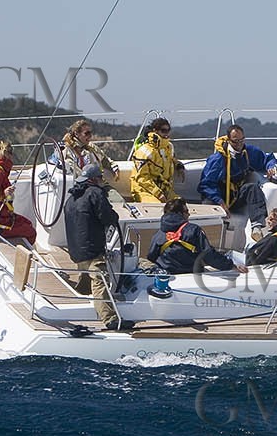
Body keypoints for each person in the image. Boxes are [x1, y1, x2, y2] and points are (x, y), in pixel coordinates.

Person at [63, 162, 125, 331]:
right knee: (100, 280)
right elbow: (106, 216)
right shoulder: (95, 193)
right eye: (100, 178)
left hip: (76, 250)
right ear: (95, 179)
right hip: (92, 250)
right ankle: (110, 319)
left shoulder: (71, 198)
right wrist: (114, 216)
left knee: (86, 280)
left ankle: (80, 306)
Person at [198, 124, 277, 234]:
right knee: (208, 208)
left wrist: (271, 167)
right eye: (235, 141)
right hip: (217, 197)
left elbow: (267, 158)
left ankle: (257, 227)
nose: (239, 144)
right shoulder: (218, 159)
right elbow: (206, 184)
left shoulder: (248, 152)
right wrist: (219, 201)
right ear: (229, 140)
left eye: (242, 140)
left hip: (235, 195)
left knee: (252, 188)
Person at [144, 197, 234, 276]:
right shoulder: (194, 230)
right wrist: (231, 266)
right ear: (179, 213)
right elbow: (209, 256)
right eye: (186, 211)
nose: (189, 214)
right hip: (190, 276)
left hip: (167, 277)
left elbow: (151, 257)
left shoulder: (159, 233)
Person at [130, 117, 184, 203]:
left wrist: (178, 165)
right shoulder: (144, 151)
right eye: (163, 130)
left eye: (168, 130)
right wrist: (158, 194)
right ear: (155, 131)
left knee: (180, 204)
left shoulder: (168, 147)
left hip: (163, 188)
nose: (166, 133)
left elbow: (170, 159)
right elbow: (142, 178)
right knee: (157, 206)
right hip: (143, 190)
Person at [52, 119, 118, 186]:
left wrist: (113, 167)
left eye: (90, 133)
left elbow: (105, 160)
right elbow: (72, 171)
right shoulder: (67, 150)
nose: (90, 136)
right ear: (76, 134)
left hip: (96, 184)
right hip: (79, 186)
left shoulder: (91, 147)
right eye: (87, 133)